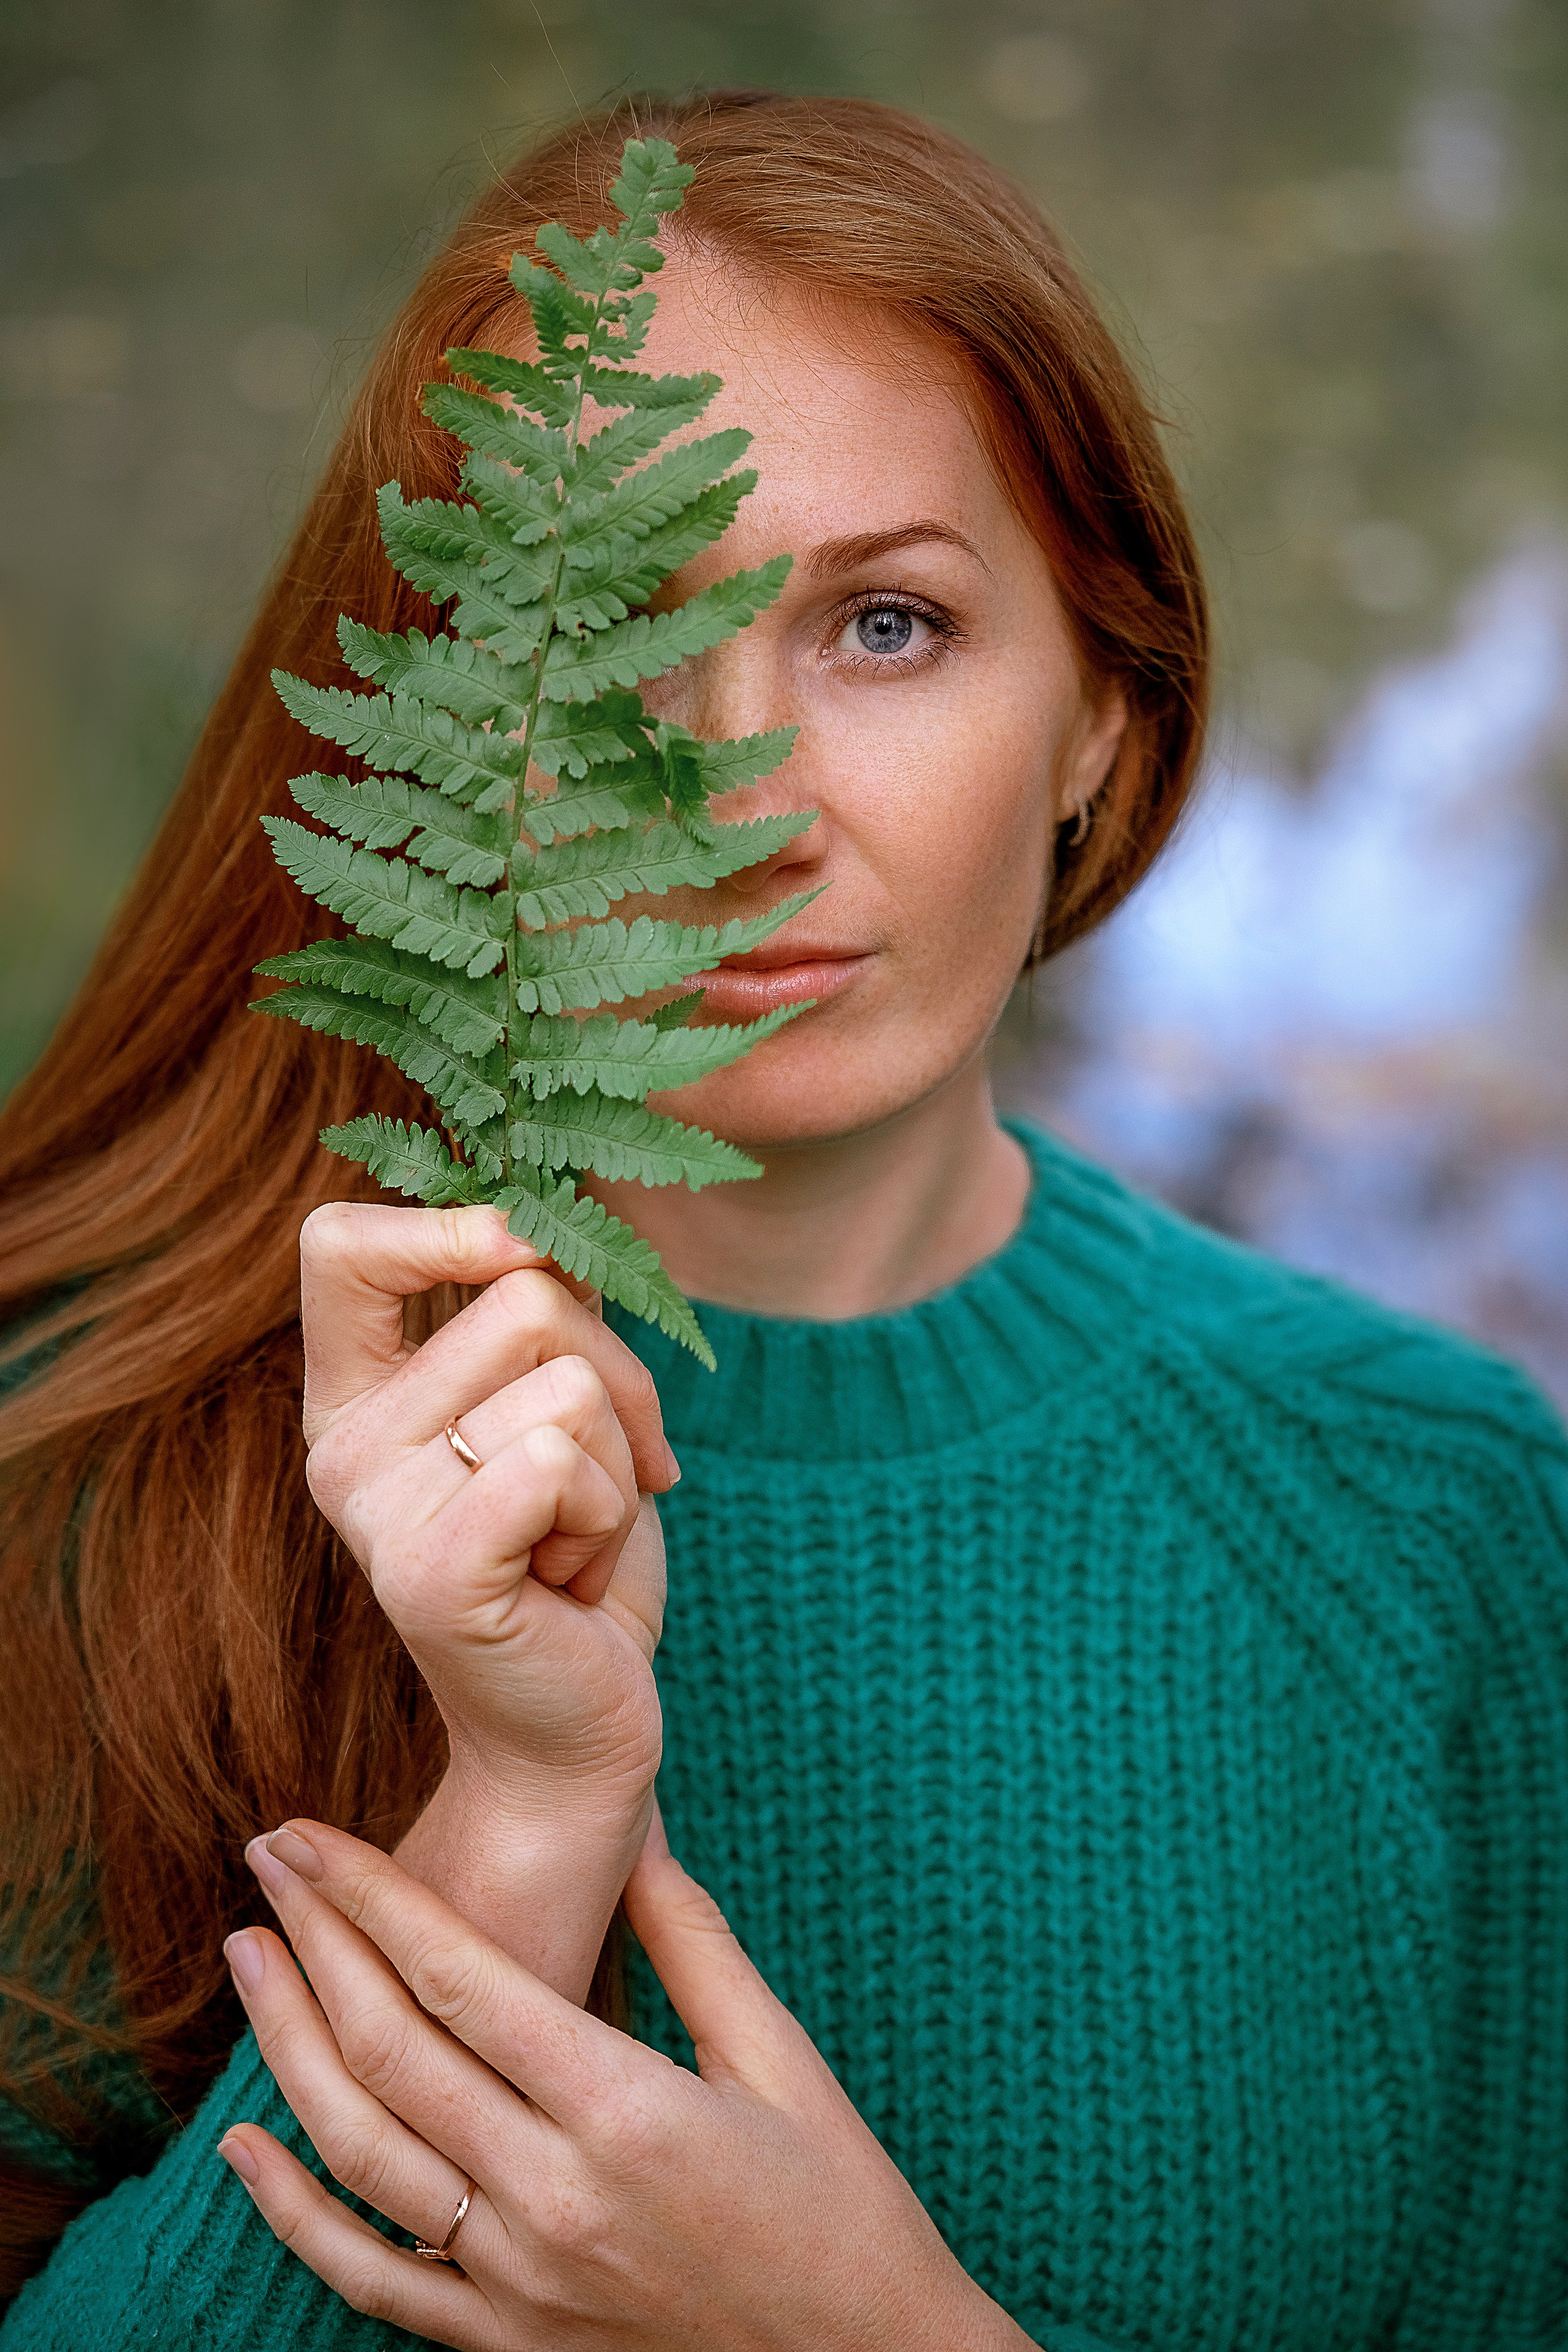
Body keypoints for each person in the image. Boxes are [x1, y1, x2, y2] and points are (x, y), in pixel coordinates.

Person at [1, 88, 1564, 2352]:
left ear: (1104, 714)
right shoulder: (85, 1483)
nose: (740, 800)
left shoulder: (1432, 1525)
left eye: (887, 626)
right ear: (439, 734)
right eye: (613, 642)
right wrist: (517, 1820)